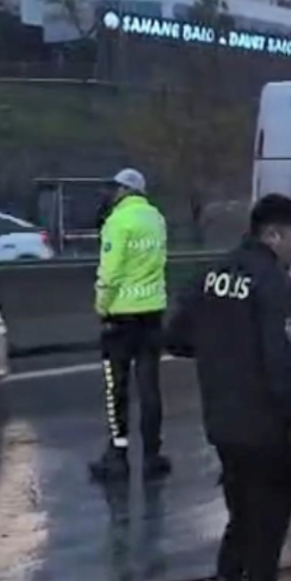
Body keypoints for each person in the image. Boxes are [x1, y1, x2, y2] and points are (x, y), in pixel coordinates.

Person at [165, 194, 291, 581]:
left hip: (223, 426)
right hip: (267, 432)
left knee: (241, 524)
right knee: (266, 535)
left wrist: (221, 353)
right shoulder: (274, 284)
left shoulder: (213, 274)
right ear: (272, 234)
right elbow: (283, 369)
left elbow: (175, 335)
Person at [89, 168, 171, 482]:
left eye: (116, 188)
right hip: (152, 313)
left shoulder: (118, 221)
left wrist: (101, 305)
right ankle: (152, 455)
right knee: (150, 387)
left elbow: (110, 272)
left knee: (117, 387)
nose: (112, 194)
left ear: (125, 190)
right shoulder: (157, 219)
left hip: (120, 316)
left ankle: (118, 454)